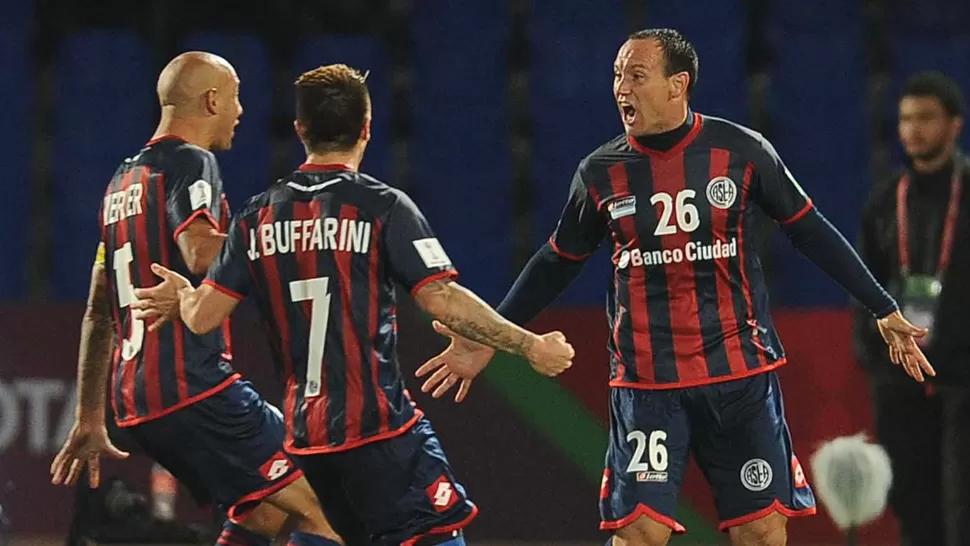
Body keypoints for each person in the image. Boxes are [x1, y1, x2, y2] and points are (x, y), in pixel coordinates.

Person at [415, 29, 933, 546]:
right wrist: (492, 333)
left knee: (762, 533)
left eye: (637, 76)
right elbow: (556, 261)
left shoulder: (743, 152)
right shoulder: (600, 172)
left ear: (678, 84)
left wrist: (881, 307)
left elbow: (810, 229)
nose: (622, 88)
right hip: (647, 385)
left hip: (740, 378)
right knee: (639, 533)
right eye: (617, 75)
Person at [129, 63, 575, 546]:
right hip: (380, 432)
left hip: (307, 439)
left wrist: (184, 298)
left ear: (300, 131)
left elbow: (203, 318)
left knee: (318, 525)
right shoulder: (381, 207)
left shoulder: (252, 218)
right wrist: (528, 344)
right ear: (366, 128)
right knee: (435, 532)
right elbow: (442, 299)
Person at [49, 51, 343, 546]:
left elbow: (99, 312)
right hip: (195, 389)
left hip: (137, 403)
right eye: (235, 98)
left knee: (267, 515)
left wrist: (90, 416)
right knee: (329, 506)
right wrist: (275, 235)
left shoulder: (120, 183)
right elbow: (202, 252)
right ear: (211, 101)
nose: (241, 111)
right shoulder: (190, 161)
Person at [853, 71, 970, 546]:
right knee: (913, 509)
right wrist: (876, 361)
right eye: (905, 119)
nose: (914, 129)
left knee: (962, 507)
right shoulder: (885, 199)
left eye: (926, 118)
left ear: (955, 125)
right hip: (900, 381)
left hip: (964, 380)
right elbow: (863, 282)